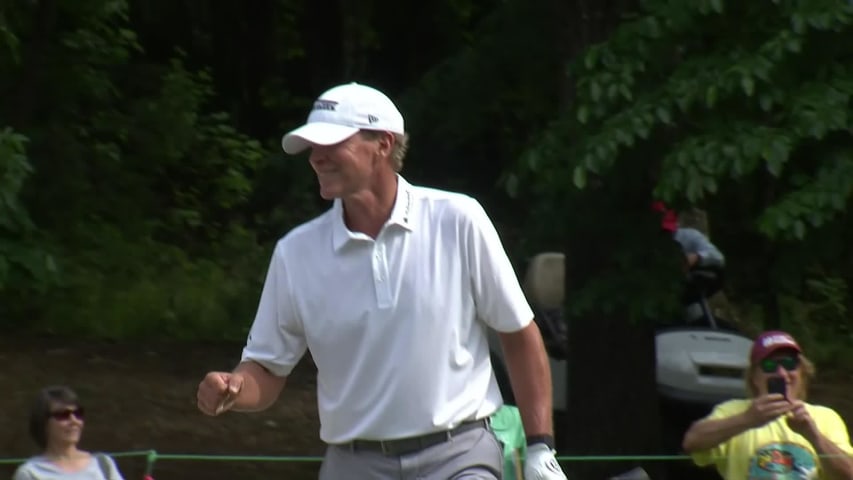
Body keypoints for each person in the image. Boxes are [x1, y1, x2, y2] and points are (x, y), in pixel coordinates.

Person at [196, 82, 568, 480]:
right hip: (354, 463)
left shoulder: (458, 219)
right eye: (312, 148)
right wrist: (234, 387)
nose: (316, 158)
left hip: (459, 454)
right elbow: (267, 371)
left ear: (383, 145)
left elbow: (517, 333)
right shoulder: (296, 253)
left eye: (332, 144)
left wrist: (540, 447)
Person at [682, 330, 853, 479]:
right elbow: (692, 442)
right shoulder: (733, 411)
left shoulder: (825, 418)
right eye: (770, 366)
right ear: (755, 377)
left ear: (802, 372)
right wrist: (748, 419)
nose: (781, 374)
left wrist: (813, 435)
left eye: (789, 364)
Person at [13, 386, 125, 480]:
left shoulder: (103, 464)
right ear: (44, 422)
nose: (74, 421)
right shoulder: (31, 473)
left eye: (78, 414)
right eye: (63, 415)